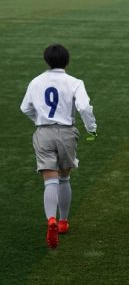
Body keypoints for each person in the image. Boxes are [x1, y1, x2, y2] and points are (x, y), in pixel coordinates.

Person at [20, 44, 97, 249]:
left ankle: (50, 220)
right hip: (66, 133)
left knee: (49, 181)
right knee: (64, 178)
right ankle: (62, 222)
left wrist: (39, 120)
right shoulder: (75, 82)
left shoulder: (36, 82)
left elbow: (25, 107)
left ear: (46, 60)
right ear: (67, 61)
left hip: (43, 132)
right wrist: (92, 128)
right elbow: (84, 107)